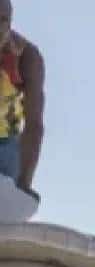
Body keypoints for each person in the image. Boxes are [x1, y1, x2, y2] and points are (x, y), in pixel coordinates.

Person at [0, 0, 44, 199]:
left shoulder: (26, 57)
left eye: (3, 20)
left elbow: (34, 125)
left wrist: (24, 185)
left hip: (8, 143)